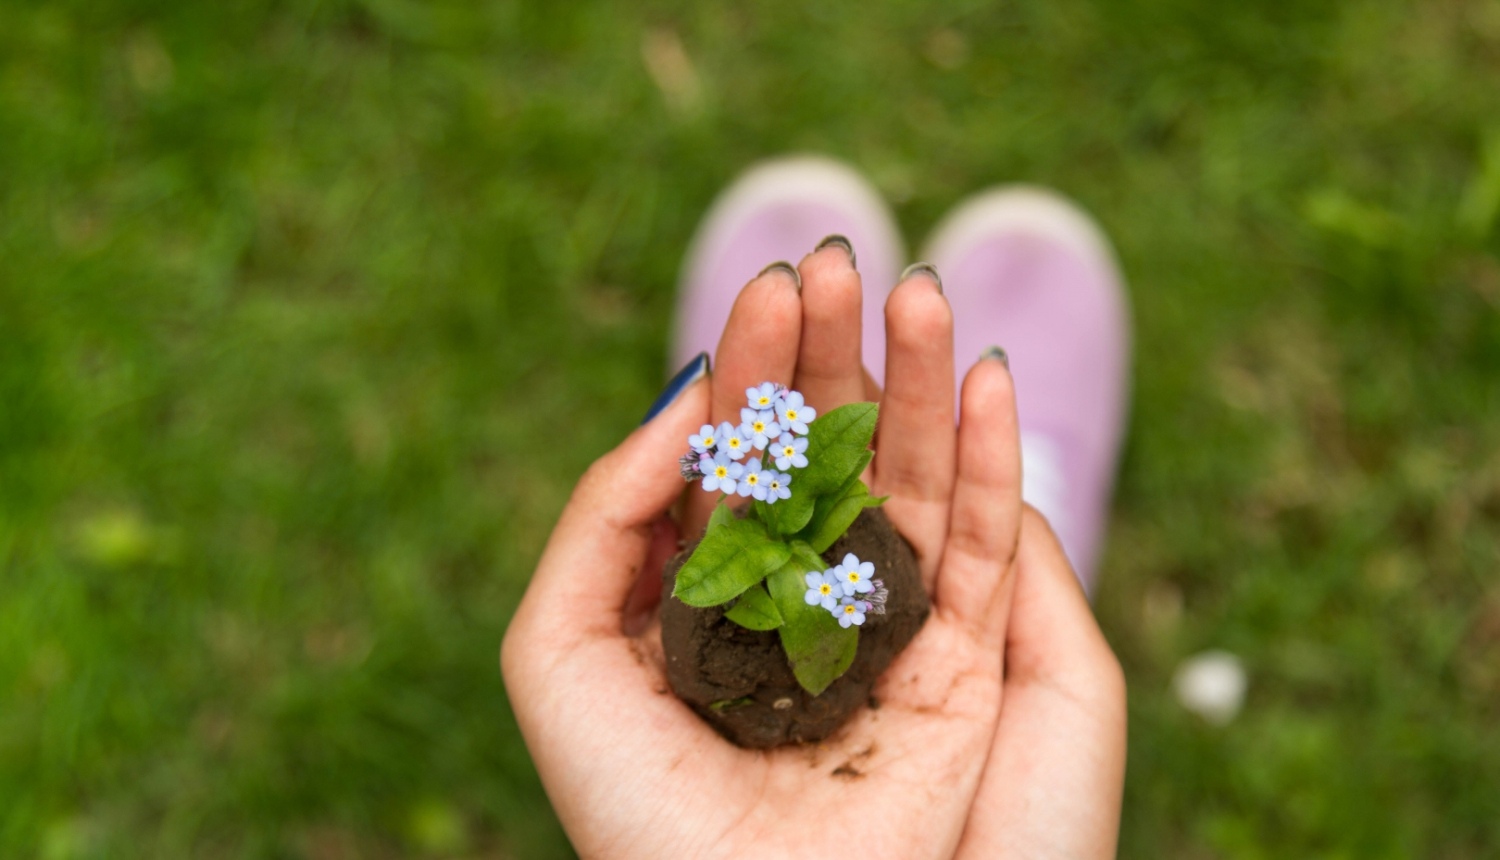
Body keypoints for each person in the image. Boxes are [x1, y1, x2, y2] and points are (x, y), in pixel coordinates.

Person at [502, 156, 1130, 858]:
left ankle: (992, 544)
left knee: (904, 476)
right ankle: (1014, 531)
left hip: (809, 565)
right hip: (801, 578)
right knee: (990, 513)